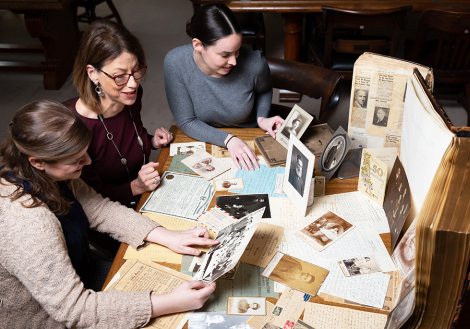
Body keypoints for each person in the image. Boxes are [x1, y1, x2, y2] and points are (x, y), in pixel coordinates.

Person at [0, 100, 218, 328]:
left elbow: (98, 208)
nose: (88, 161)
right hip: (46, 318)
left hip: (78, 273)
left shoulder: (40, 170)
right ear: (38, 162)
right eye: (76, 160)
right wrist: (169, 303)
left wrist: (166, 235)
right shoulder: (25, 223)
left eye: (85, 152)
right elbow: (76, 310)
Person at [164, 4, 284, 172]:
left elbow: (264, 89)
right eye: (225, 55)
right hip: (203, 138)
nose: (234, 62)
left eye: (237, 51)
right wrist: (229, 140)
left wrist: (261, 118)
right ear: (198, 45)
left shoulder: (255, 63)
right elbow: (187, 121)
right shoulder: (175, 63)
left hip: (248, 137)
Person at [69, 20, 173, 209]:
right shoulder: (73, 128)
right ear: (93, 73)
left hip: (145, 192)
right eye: (120, 76)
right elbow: (88, 198)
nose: (133, 83)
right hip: (108, 212)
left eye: (136, 70)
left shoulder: (129, 97)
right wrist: (136, 186)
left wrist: (150, 141)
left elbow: (123, 142)